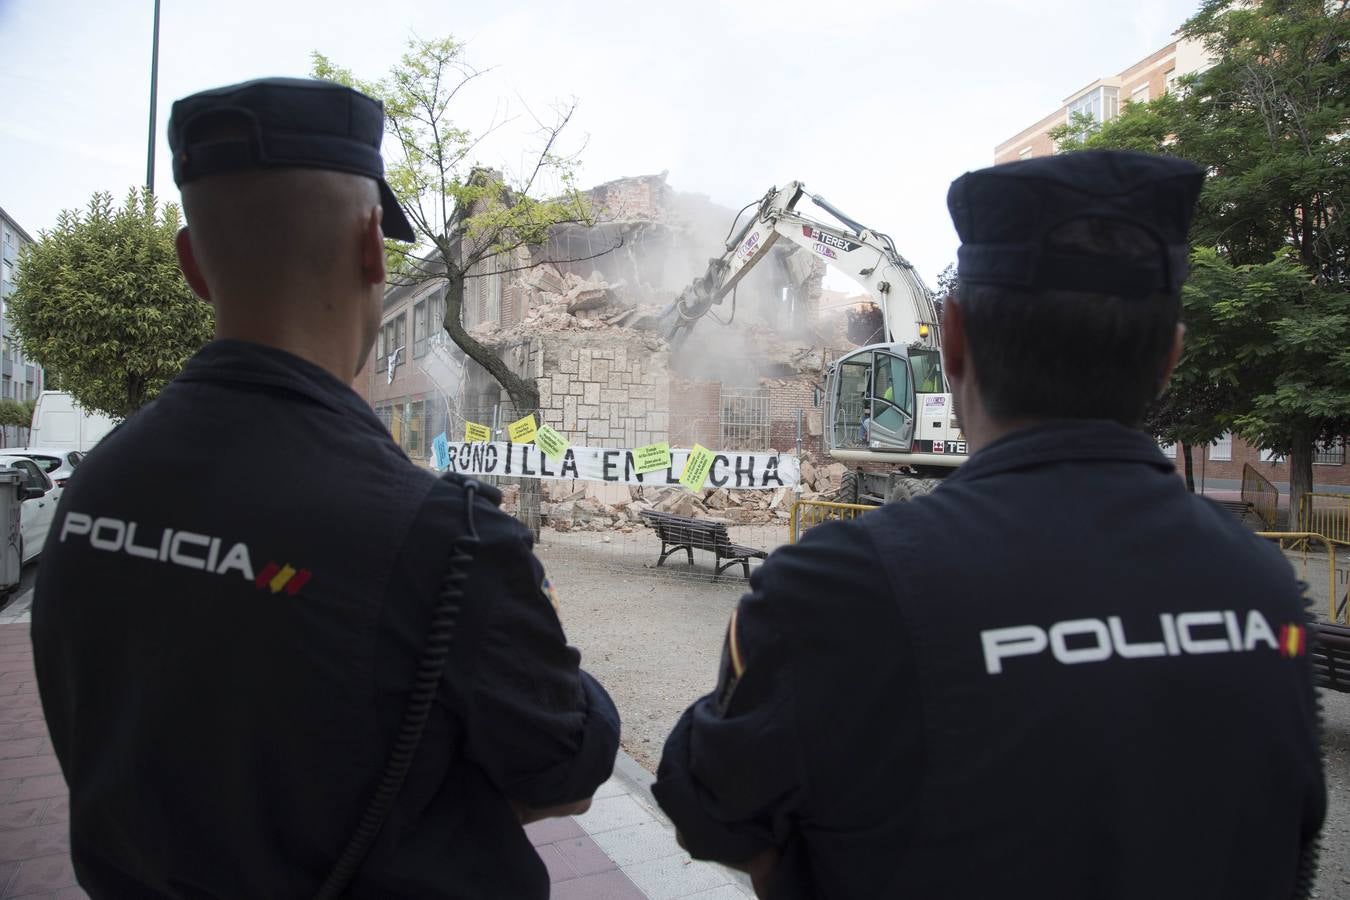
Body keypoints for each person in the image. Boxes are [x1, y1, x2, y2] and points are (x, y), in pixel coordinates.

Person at [653, 150, 1325, 899]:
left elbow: (706, 805)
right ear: (1170, 356)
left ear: (953, 340)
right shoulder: (1267, 590)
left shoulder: (840, 583)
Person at [32, 77, 620, 899]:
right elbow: (571, 768)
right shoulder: (446, 542)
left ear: (192, 264)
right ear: (373, 246)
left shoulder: (93, 487)